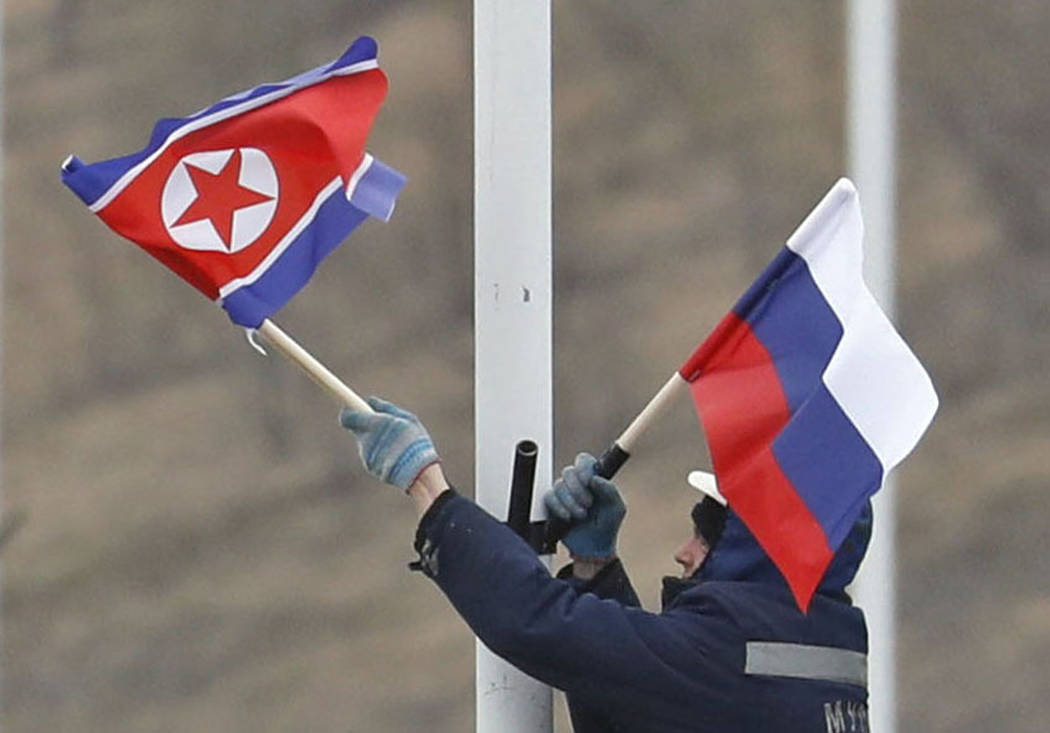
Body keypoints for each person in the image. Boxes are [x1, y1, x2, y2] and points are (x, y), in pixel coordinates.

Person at [341, 397, 872, 733]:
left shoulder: (730, 654)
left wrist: (427, 488)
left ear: (761, 547)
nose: (684, 553)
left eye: (709, 535)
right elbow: (643, 700)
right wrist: (594, 566)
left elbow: (539, 623)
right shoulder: (824, 653)